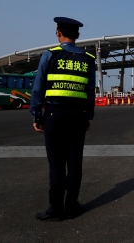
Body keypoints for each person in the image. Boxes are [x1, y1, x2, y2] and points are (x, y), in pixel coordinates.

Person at [30, 17, 96, 221]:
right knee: (75, 162)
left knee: (56, 163)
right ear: (77, 35)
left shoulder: (50, 55)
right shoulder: (88, 58)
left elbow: (38, 88)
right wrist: (88, 115)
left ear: (58, 33)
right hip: (77, 115)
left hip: (54, 115)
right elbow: (90, 91)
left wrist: (36, 114)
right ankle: (72, 206)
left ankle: (56, 209)